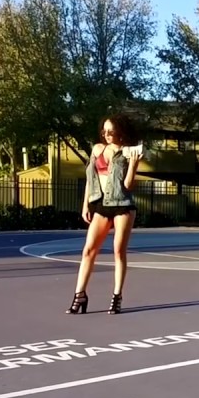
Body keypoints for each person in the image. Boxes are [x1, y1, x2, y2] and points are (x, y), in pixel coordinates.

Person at [65, 112, 144, 315]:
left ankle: (117, 296)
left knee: (118, 251)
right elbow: (90, 179)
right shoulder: (97, 149)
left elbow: (128, 185)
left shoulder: (128, 152)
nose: (107, 134)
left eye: (111, 131)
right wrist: (85, 205)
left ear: (120, 132)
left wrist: (134, 164)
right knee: (88, 250)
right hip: (100, 205)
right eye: (104, 131)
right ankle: (80, 295)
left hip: (122, 204)